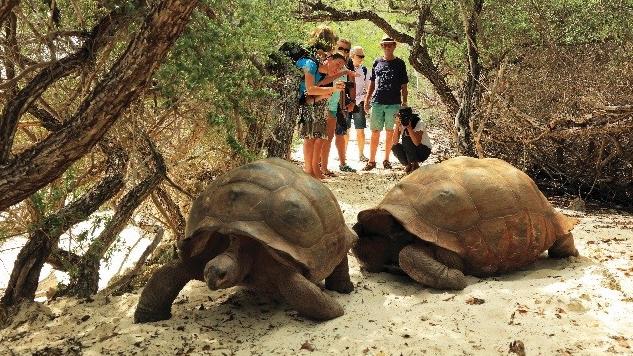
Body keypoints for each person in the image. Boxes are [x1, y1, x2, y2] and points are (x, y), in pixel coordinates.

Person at [296, 25, 345, 180]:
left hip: (312, 101)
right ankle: (308, 170)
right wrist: (331, 90)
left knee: (312, 137)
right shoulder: (310, 63)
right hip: (308, 101)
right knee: (309, 137)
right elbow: (310, 89)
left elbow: (322, 80)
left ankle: (311, 170)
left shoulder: (315, 63)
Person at [363, 35, 409, 171]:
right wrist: (367, 99)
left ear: (394, 46)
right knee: (375, 132)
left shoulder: (400, 63)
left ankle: (386, 159)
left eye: (390, 45)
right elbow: (372, 83)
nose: (387, 47)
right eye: (385, 45)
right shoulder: (377, 62)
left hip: (394, 102)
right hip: (377, 102)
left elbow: (404, 85)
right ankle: (371, 161)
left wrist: (404, 102)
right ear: (382, 46)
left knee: (390, 132)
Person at [320, 39, 357, 175]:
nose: (344, 52)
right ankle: (319, 166)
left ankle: (327, 166)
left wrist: (351, 101)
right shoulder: (327, 62)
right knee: (321, 137)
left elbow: (351, 84)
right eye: (341, 48)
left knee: (337, 134)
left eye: (347, 50)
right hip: (324, 103)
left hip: (338, 104)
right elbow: (321, 82)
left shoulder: (347, 65)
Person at [345, 46, 370, 162]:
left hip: (359, 102)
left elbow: (369, 86)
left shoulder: (364, 70)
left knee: (360, 130)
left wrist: (366, 99)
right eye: (359, 56)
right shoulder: (344, 69)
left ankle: (361, 154)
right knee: (346, 130)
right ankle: (343, 154)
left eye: (362, 56)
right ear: (352, 56)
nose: (361, 59)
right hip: (345, 102)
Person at [392, 107, 432, 174]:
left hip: (423, 151)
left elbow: (417, 143)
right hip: (410, 150)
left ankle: (414, 164)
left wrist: (409, 127)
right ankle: (408, 165)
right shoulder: (400, 123)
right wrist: (397, 126)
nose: (404, 119)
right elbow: (395, 142)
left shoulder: (419, 122)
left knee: (407, 138)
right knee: (395, 147)